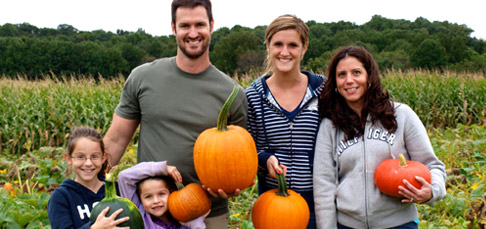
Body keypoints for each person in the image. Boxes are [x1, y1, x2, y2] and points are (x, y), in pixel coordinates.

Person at [103, 0, 247, 227]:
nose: (193, 33)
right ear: (173, 28)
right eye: (184, 25)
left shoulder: (231, 93)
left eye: (200, 24)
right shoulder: (143, 78)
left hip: (208, 212)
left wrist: (231, 186)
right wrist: (87, 186)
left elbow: (239, 156)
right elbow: (116, 138)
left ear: (211, 25)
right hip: (154, 213)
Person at [313, 46, 447, 229]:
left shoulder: (401, 115)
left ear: (369, 76)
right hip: (347, 224)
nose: (349, 80)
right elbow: (324, 186)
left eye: (356, 72)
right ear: (335, 82)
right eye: (341, 75)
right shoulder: (330, 125)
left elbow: (433, 165)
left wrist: (432, 191)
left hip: (399, 223)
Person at [245, 14, 326, 229]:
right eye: (278, 44)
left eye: (292, 45)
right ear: (268, 46)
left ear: (304, 47)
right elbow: (247, 147)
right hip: (274, 203)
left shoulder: (324, 91)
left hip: (319, 202)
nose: (285, 52)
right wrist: (266, 159)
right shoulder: (253, 95)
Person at [47, 126, 129, 229]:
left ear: (103, 158)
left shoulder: (117, 189)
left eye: (94, 156)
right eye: (80, 157)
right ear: (68, 158)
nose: (88, 163)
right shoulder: (62, 197)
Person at [118, 161, 208, 228]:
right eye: (148, 196)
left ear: (171, 193)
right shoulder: (139, 215)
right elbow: (124, 177)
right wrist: (162, 168)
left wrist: (196, 223)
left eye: (161, 194)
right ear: (140, 199)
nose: (156, 201)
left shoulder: (182, 221)